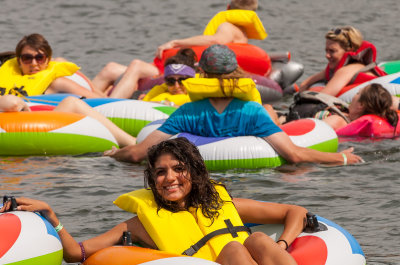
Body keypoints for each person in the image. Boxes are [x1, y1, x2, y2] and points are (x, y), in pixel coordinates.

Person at [1, 137, 329, 265]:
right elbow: (76, 254)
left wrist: (281, 244)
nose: (170, 178)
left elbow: (295, 211)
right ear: (153, 180)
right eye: (160, 172)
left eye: (178, 168)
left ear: (194, 171)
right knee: (232, 246)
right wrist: (51, 215)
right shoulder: (141, 223)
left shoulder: (223, 203)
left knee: (257, 240)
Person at [105, 44, 363, 166]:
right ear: (236, 73)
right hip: (249, 183)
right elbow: (294, 154)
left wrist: (115, 154)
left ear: (201, 75)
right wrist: (341, 157)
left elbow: (139, 153)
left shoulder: (188, 112)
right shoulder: (252, 111)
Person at [92, 0, 265, 99]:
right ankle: (88, 98)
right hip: (169, 67)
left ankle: (110, 106)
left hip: (173, 70)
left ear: (228, 8)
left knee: (136, 65)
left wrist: (175, 43)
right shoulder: (242, 32)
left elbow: (215, 40)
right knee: (111, 68)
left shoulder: (228, 26)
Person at [0, 94, 136, 147]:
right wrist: (24, 107)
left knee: (71, 102)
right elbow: (12, 103)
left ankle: (132, 143)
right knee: (71, 103)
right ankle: (132, 143)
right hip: (23, 133)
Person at [0, 33, 105, 98]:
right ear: (19, 61)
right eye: (27, 58)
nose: (34, 63)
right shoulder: (7, 75)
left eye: (39, 58)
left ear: (47, 60)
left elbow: (99, 101)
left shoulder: (58, 83)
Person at [298, 26, 386, 96]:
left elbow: (323, 97)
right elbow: (305, 84)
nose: (327, 55)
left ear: (349, 51)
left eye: (332, 51)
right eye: (326, 50)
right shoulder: (333, 69)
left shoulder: (346, 70)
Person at [316, 83, 399, 131]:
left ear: (361, 105)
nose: (354, 96)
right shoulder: (349, 116)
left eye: (358, 93)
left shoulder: (337, 121)